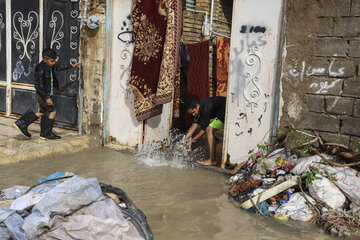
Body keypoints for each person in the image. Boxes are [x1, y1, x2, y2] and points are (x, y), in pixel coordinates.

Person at [14, 48, 81, 140]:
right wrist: (47, 98)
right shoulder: (40, 70)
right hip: (43, 94)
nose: (53, 63)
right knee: (52, 112)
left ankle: (25, 124)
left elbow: (59, 67)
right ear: (45, 60)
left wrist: (72, 66)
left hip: (46, 94)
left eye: (54, 61)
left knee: (42, 112)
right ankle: (40, 131)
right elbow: (38, 86)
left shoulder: (49, 66)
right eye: (52, 61)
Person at [183, 96, 226, 166]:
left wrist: (191, 141)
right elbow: (194, 124)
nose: (193, 114)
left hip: (227, 113)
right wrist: (185, 138)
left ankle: (211, 160)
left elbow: (204, 130)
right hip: (221, 114)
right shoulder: (199, 108)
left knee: (209, 129)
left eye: (194, 112)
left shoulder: (206, 108)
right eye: (191, 113)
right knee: (209, 129)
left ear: (197, 106)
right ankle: (212, 159)